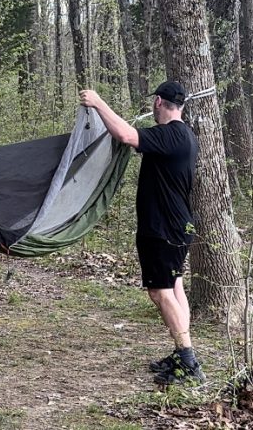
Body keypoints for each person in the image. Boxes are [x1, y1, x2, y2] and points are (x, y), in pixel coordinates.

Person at [79, 81, 205, 385]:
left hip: (162, 229)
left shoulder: (169, 135)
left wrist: (97, 102)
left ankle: (188, 361)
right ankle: (183, 355)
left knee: (159, 292)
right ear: (182, 106)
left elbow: (125, 134)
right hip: (178, 226)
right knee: (175, 288)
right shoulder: (185, 136)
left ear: (158, 102)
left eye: (155, 103)